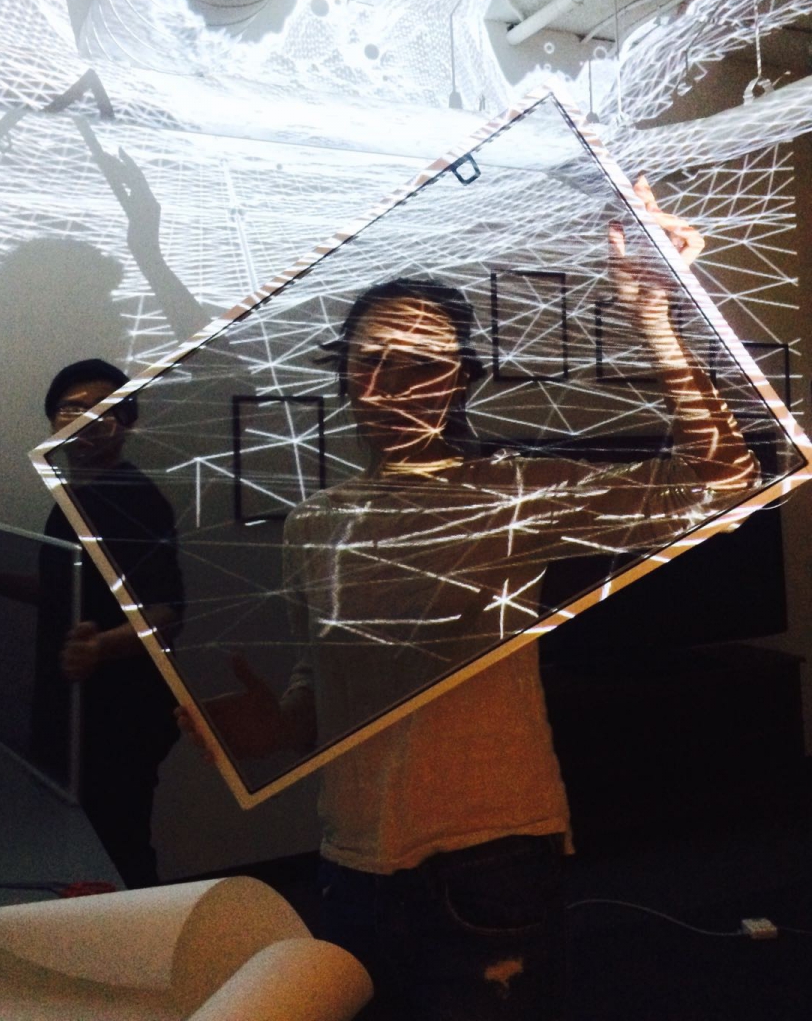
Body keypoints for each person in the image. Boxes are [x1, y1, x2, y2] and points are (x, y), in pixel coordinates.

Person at [183, 180, 757, 1017]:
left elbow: (723, 487)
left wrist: (656, 322)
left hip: (491, 857)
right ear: (342, 375)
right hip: (348, 862)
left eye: (421, 366)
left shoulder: (509, 491)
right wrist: (275, 731)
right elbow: (325, 696)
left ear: (459, 382)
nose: (389, 387)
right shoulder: (313, 524)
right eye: (369, 361)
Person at [0, 359, 184, 888]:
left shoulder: (135, 500)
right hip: (73, 709)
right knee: (77, 844)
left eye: (101, 411)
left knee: (119, 846)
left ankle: (139, 953)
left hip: (120, 718)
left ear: (125, 422)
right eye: (70, 410)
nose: (82, 421)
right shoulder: (74, 496)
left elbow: (168, 614)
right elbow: (65, 593)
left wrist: (102, 647)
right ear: (53, 420)